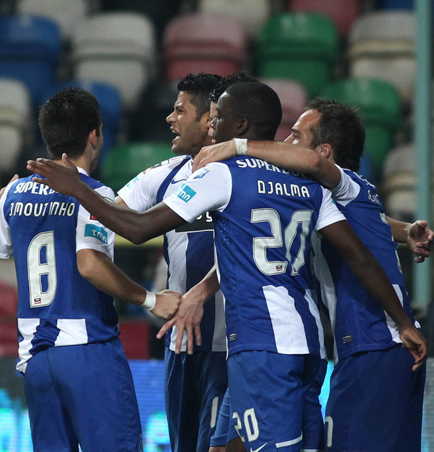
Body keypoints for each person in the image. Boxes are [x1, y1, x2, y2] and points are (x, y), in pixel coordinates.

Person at [27, 82, 427, 452]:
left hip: (258, 343)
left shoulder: (221, 173)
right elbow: (360, 248)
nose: (211, 125)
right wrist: (404, 315)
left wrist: (78, 189)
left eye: (218, 119)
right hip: (308, 343)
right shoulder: (307, 184)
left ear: (239, 126)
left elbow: (137, 228)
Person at [194, 98, 430, 452]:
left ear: (324, 151)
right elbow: (375, 224)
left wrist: (238, 146)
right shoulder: (348, 197)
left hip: (374, 342)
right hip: (381, 345)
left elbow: (316, 166)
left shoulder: (338, 182)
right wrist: (406, 229)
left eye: (296, 136)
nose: (286, 143)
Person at [0, 87, 180, 452]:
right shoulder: (93, 194)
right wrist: (150, 300)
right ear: (94, 135)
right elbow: (89, 265)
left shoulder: (15, 194)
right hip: (87, 350)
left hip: (35, 358)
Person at [118, 72, 256, 452]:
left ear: (210, 118)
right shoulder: (165, 176)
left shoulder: (248, 177)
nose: (170, 118)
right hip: (180, 346)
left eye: (180, 110)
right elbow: (108, 217)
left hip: (232, 345)